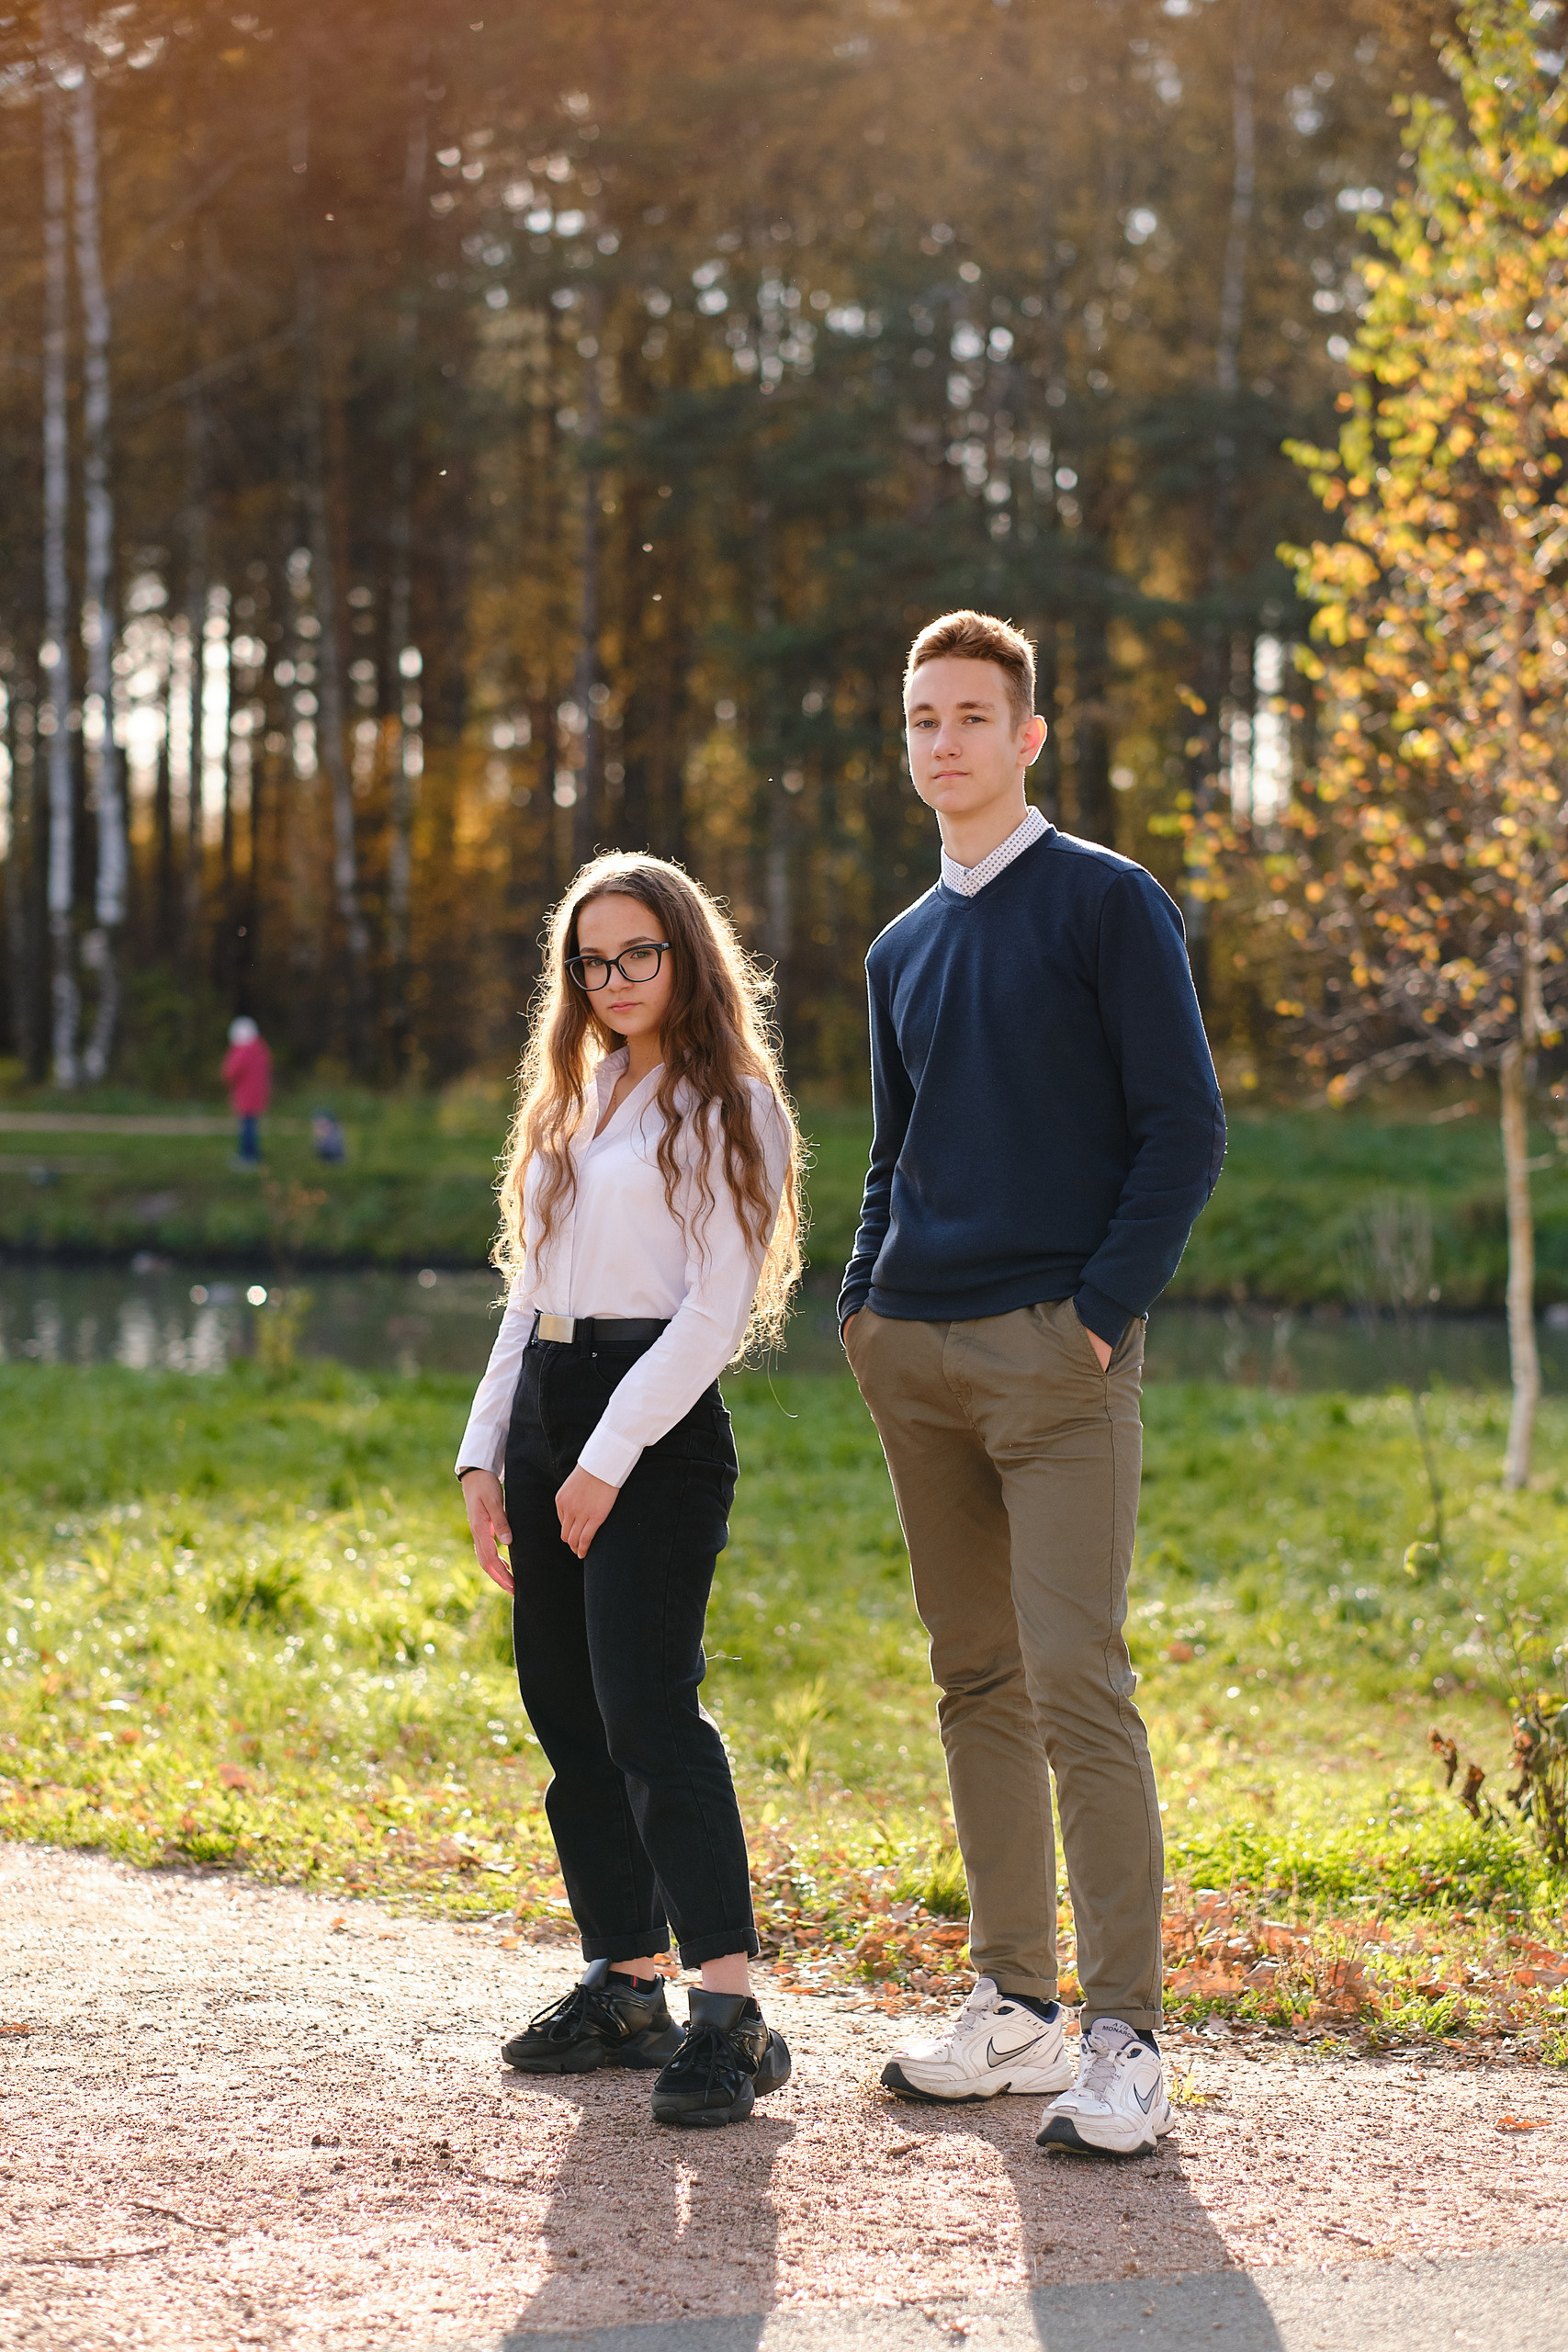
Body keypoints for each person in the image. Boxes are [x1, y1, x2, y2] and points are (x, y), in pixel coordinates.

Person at [839, 611, 1225, 2158]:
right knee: (974, 1680)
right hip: (915, 1353)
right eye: (921, 718)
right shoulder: (899, 946)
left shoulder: (1106, 901)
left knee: (1076, 1680)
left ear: (1026, 736)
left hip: (1058, 1360)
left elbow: (1182, 1127)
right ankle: (1012, 2007)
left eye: (970, 717)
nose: (943, 742)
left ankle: (1124, 2038)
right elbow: (891, 1149)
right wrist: (863, 1304)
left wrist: (1100, 1316)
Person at [456, 851, 803, 2131]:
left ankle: (730, 2011)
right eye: (591, 961)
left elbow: (714, 1310)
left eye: (637, 954)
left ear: (686, 955)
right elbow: (529, 1295)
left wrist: (606, 1459)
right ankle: (626, 1981)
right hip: (549, 1404)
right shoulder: (574, 1095)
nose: (613, 979)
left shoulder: (731, 1103)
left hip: (652, 1423)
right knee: (567, 1711)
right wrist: (485, 1453)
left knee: (650, 1712)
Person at [221, 1017, 272, 1170]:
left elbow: (231, 1072)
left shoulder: (243, 1051)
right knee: (251, 1126)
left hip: (246, 1095)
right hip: (257, 1094)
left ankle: (248, 1157)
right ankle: (253, 1154)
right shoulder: (260, 1048)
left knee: (247, 1127)